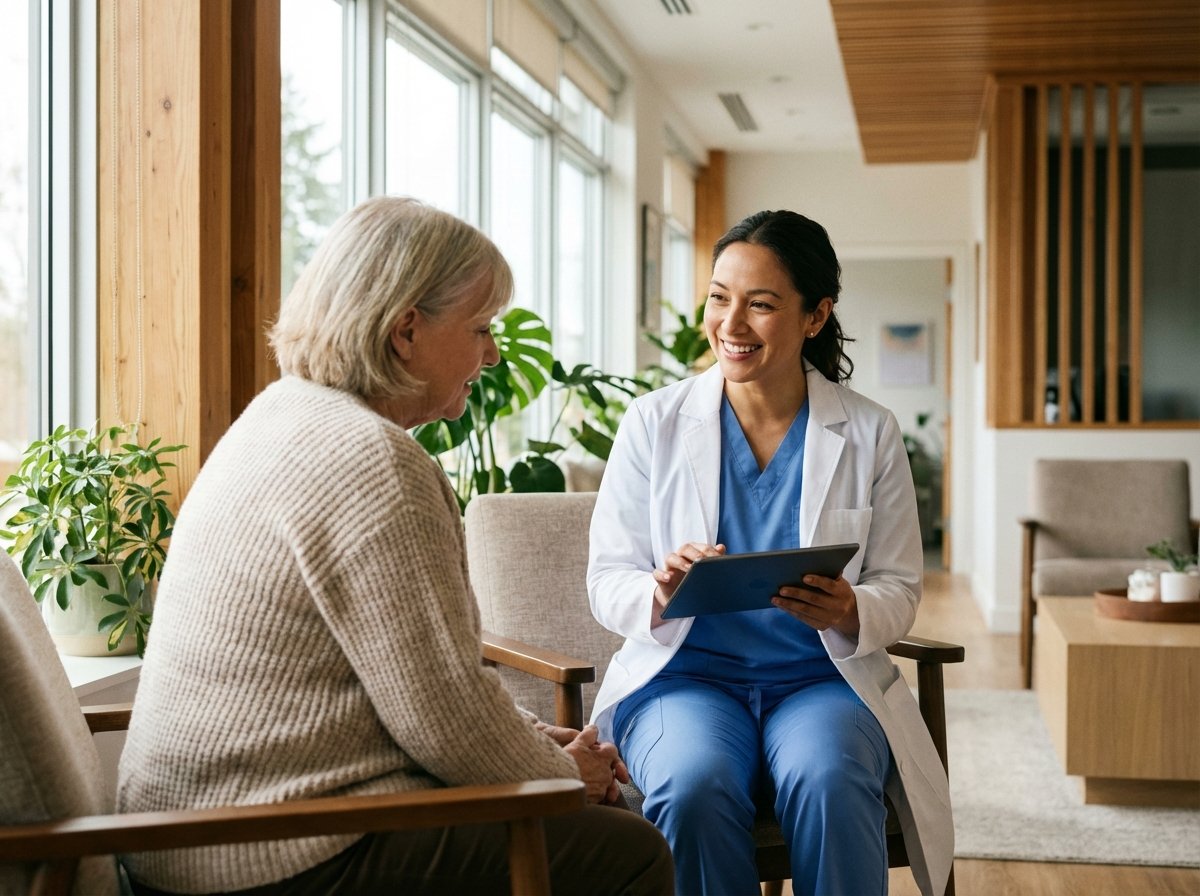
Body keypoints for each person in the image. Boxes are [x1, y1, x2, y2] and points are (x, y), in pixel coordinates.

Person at [116, 196, 673, 896]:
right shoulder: (375, 464)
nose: (494, 353)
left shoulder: (278, 414)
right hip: (266, 854)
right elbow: (445, 723)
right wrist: (570, 772)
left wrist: (535, 741)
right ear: (407, 329)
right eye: (480, 328)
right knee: (631, 852)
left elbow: (413, 686)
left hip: (196, 834)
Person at [586, 209, 953, 896]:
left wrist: (851, 608)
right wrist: (658, 592)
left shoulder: (868, 430)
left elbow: (900, 586)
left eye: (760, 305)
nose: (731, 324)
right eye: (720, 297)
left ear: (816, 316)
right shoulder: (653, 424)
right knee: (693, 786)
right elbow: (607, 578)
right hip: (683, 681)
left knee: (832, 781)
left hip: (821, 681)